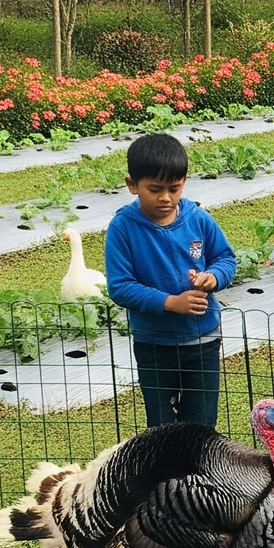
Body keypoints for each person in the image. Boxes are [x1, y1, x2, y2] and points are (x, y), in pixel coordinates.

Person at [104, 132, 236, 430]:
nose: (166, 197)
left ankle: (199, 475)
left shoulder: (198, 219)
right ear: (131, 185)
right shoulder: (123, 228)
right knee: (161, 426)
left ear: (184, 182)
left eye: (174, 188)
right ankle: (166, 477)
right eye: (155, 189)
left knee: (201, 424)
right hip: (153, 344)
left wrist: (212, 278)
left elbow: (225, 259)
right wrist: (170, 303)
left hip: (202, 339)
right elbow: (120, 286)